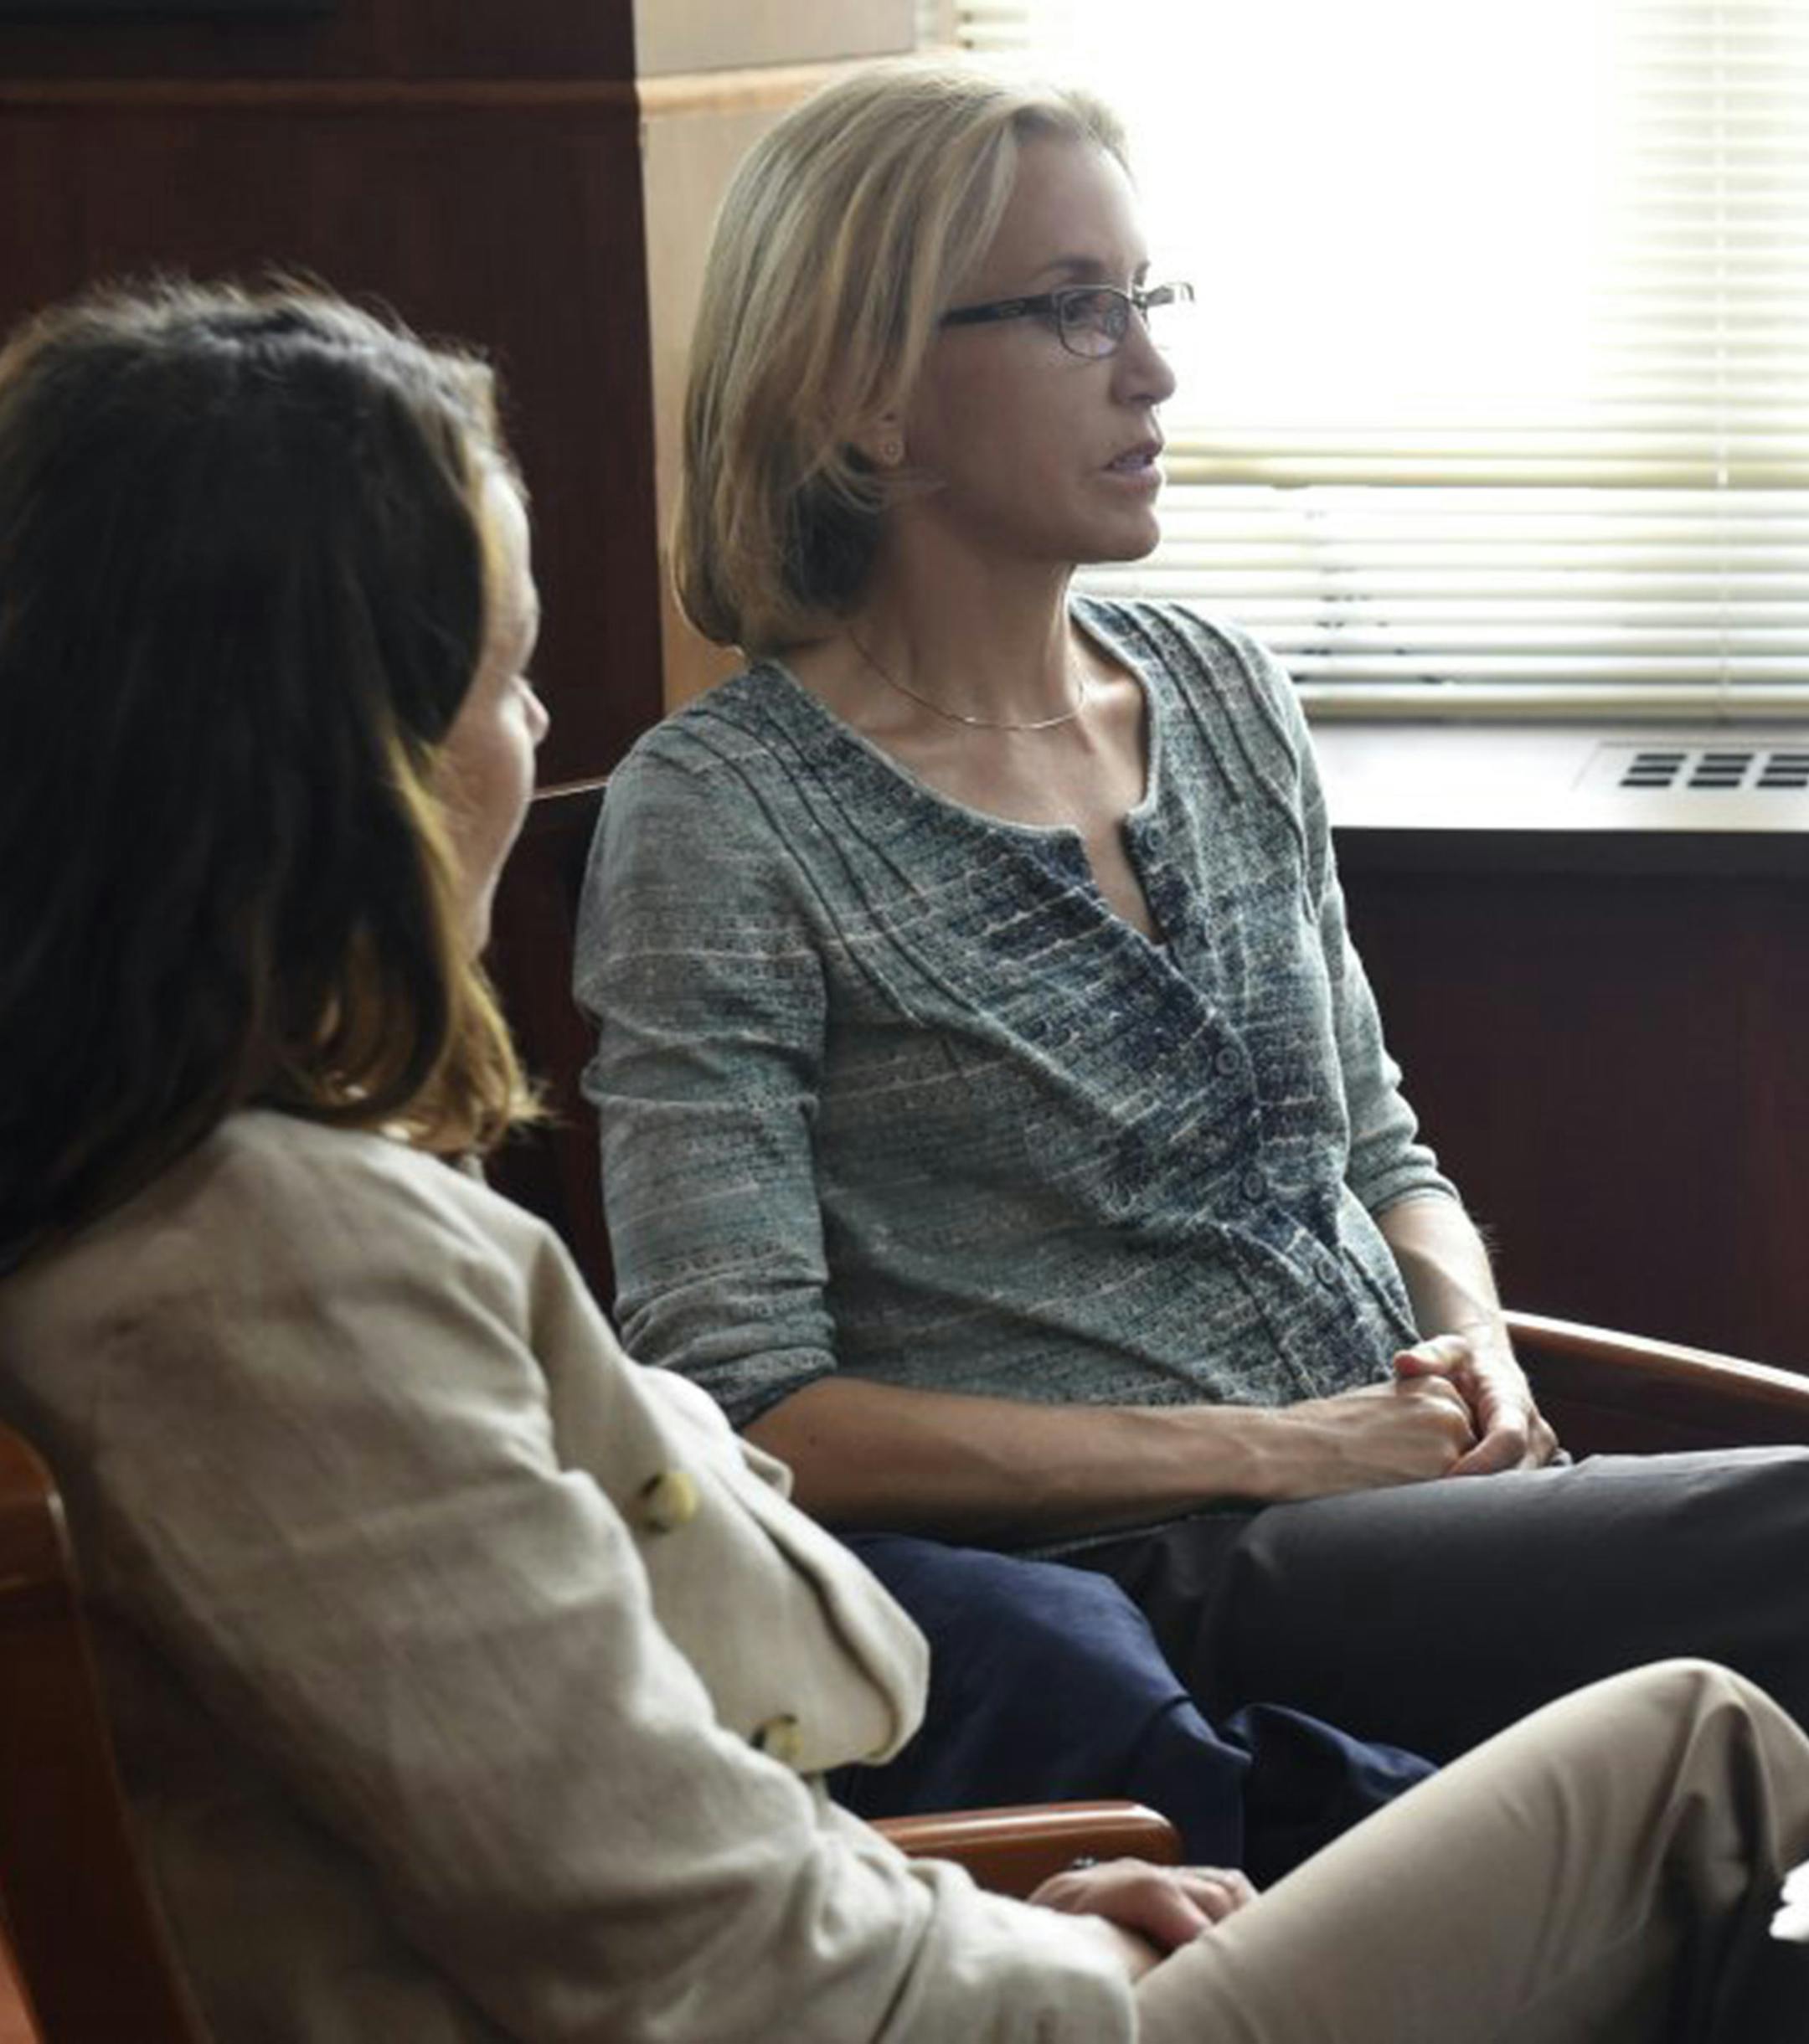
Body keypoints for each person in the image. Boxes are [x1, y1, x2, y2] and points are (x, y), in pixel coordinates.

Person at [1, 281, 1806, 2044]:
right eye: (507, 675)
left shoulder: (210, 1201)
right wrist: (1063, 1957)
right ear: (330, 761)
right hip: (1064, 1774)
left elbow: (617, 1825)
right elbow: (688, 1941)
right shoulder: (273, 1271)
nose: (539, 736)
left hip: (966, 1887)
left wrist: (992, 1900)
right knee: (1703, 1755)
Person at [575, 49, 1809, 1798]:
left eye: (1146, 296)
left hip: (1413, 1512)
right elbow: (752, 1414)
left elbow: (1380, 1143)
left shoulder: (1223, 692)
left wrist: (1464, 1338)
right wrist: (1292, 1451)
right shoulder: (723, 814)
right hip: (1132, 1580)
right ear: (867, 396)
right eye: (1076, 312)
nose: (1153, 368)